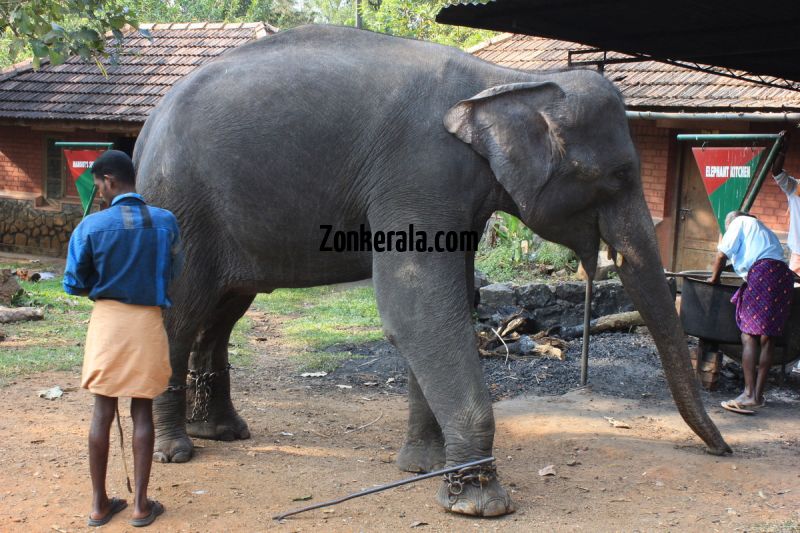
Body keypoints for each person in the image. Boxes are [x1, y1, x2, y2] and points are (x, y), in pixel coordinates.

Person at [63, 150, 182, 527]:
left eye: (98, 184)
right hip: (148, 322)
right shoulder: (166, 222)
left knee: (103, 410)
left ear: (110, 181)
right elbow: (174, 270)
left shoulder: (90, 227)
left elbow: (72, 283)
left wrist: (103, 284)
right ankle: (141, 507)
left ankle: (99, 506)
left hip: (108, 323)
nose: (98, 192)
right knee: (143, 410)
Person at [708, 211, 793, 415]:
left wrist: (714, 280)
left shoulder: (739, 222)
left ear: (731, 223)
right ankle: (758, 396)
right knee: (768, 338)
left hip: (763, 275)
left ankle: (748, 395)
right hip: (782, 276)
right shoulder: (764, 231)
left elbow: (721, 254)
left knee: (748, 335)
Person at [770, 131, 800, 374]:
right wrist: (782, 148)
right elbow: (776, 172)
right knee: (792, 304)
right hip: (798, 256)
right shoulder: (796, 189)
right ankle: (788, 353)